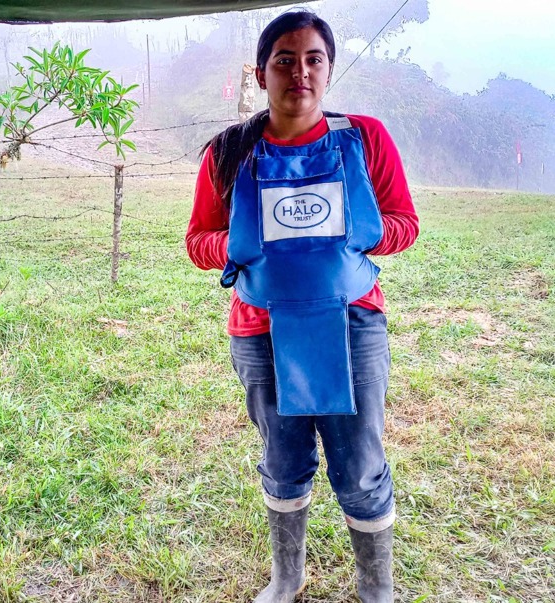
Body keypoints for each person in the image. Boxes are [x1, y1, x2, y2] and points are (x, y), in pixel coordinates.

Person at [185, 10, 420, 603]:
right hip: (260, 329)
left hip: (352, 324)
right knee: (283, 455)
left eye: (313, 58)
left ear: (329, 69)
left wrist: (355, 235)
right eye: (284, 60)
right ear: (261, 73)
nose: (300, 72)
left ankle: (378, 588)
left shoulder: (363, 138)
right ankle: (287, 577)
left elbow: (405, 224)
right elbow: (197, 242)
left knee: (360, 460)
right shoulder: (228, 152)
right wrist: (244, 245)